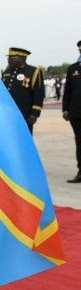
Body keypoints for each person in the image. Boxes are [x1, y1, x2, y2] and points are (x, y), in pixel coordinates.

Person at [1, 47, 45, 133]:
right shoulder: (7, 72)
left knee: (23, 139)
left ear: (21, 58)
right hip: (7, 114)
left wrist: (35, 113)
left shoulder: (33, 71)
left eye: (11, 58)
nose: (8, 60)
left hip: (24, 113)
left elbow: (39, 94)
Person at [63, 40, 81, 183]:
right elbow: (67, 90)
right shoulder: (73, 68)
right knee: (79, 143)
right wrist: (65, 109)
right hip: (76, 113)